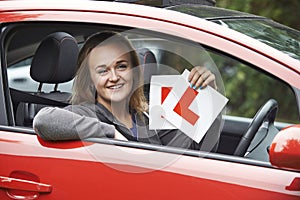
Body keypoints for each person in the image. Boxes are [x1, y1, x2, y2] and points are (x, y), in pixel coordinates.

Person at [33, 31, 220, 151]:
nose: (114, 76)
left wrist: (209, 96)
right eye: (102, 70)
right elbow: (44, 120)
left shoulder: (146, 116)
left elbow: (195, 153)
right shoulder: (86, 113)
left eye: (121, 66)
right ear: (90, 79)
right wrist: (111, 133)